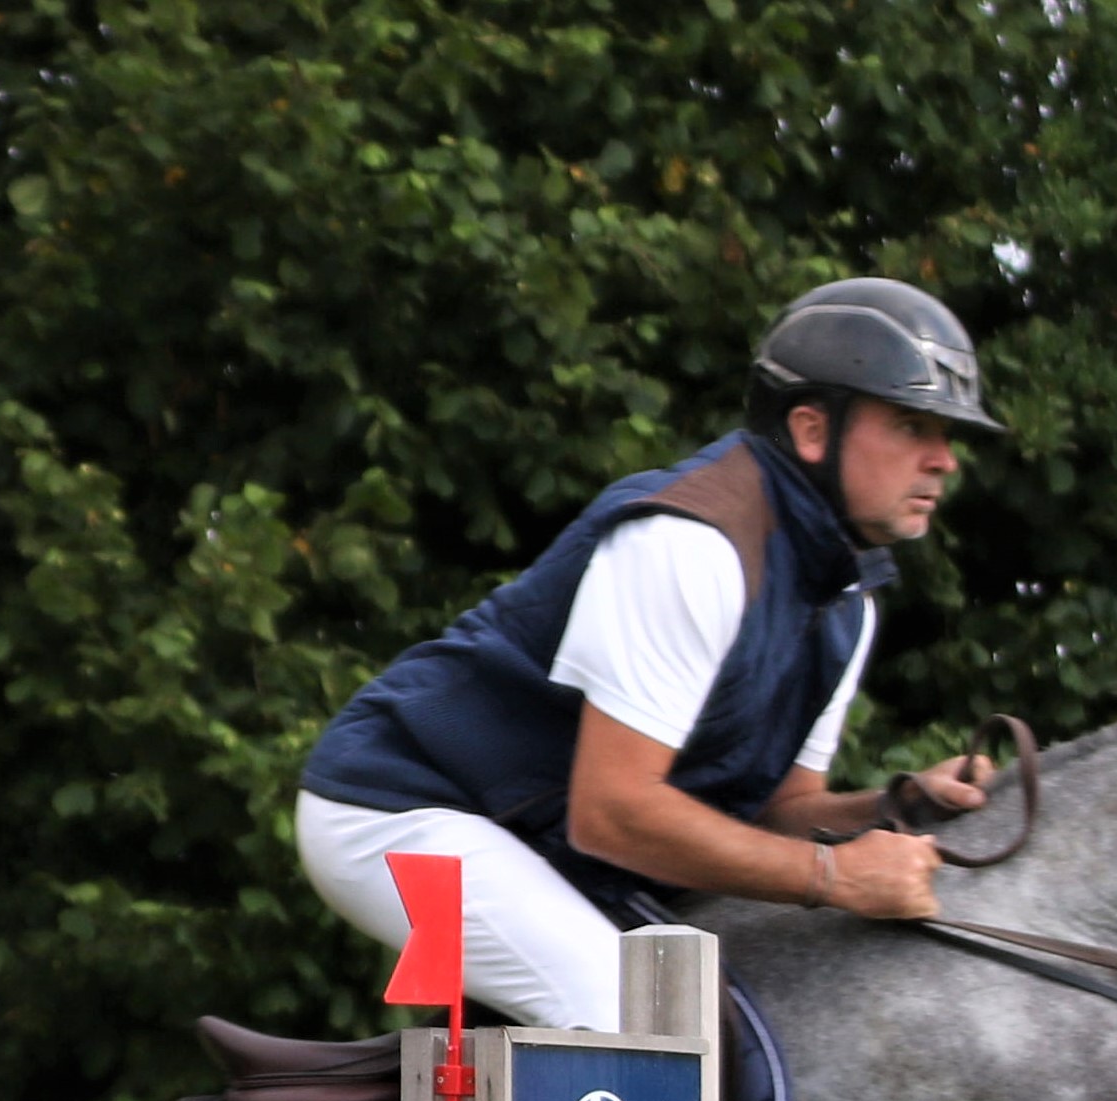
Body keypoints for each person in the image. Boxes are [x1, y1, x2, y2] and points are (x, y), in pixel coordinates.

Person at [278, 278, 1007, 1044]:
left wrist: (894, 808)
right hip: (397, 819)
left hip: (529, 836)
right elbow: (614, 816)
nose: (944, 461)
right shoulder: (689, 548)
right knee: (638, 1024)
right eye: (911, 426)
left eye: (945, 435)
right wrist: (836, 877)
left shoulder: (845, 601)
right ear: (811, 429)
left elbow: (778, 813)